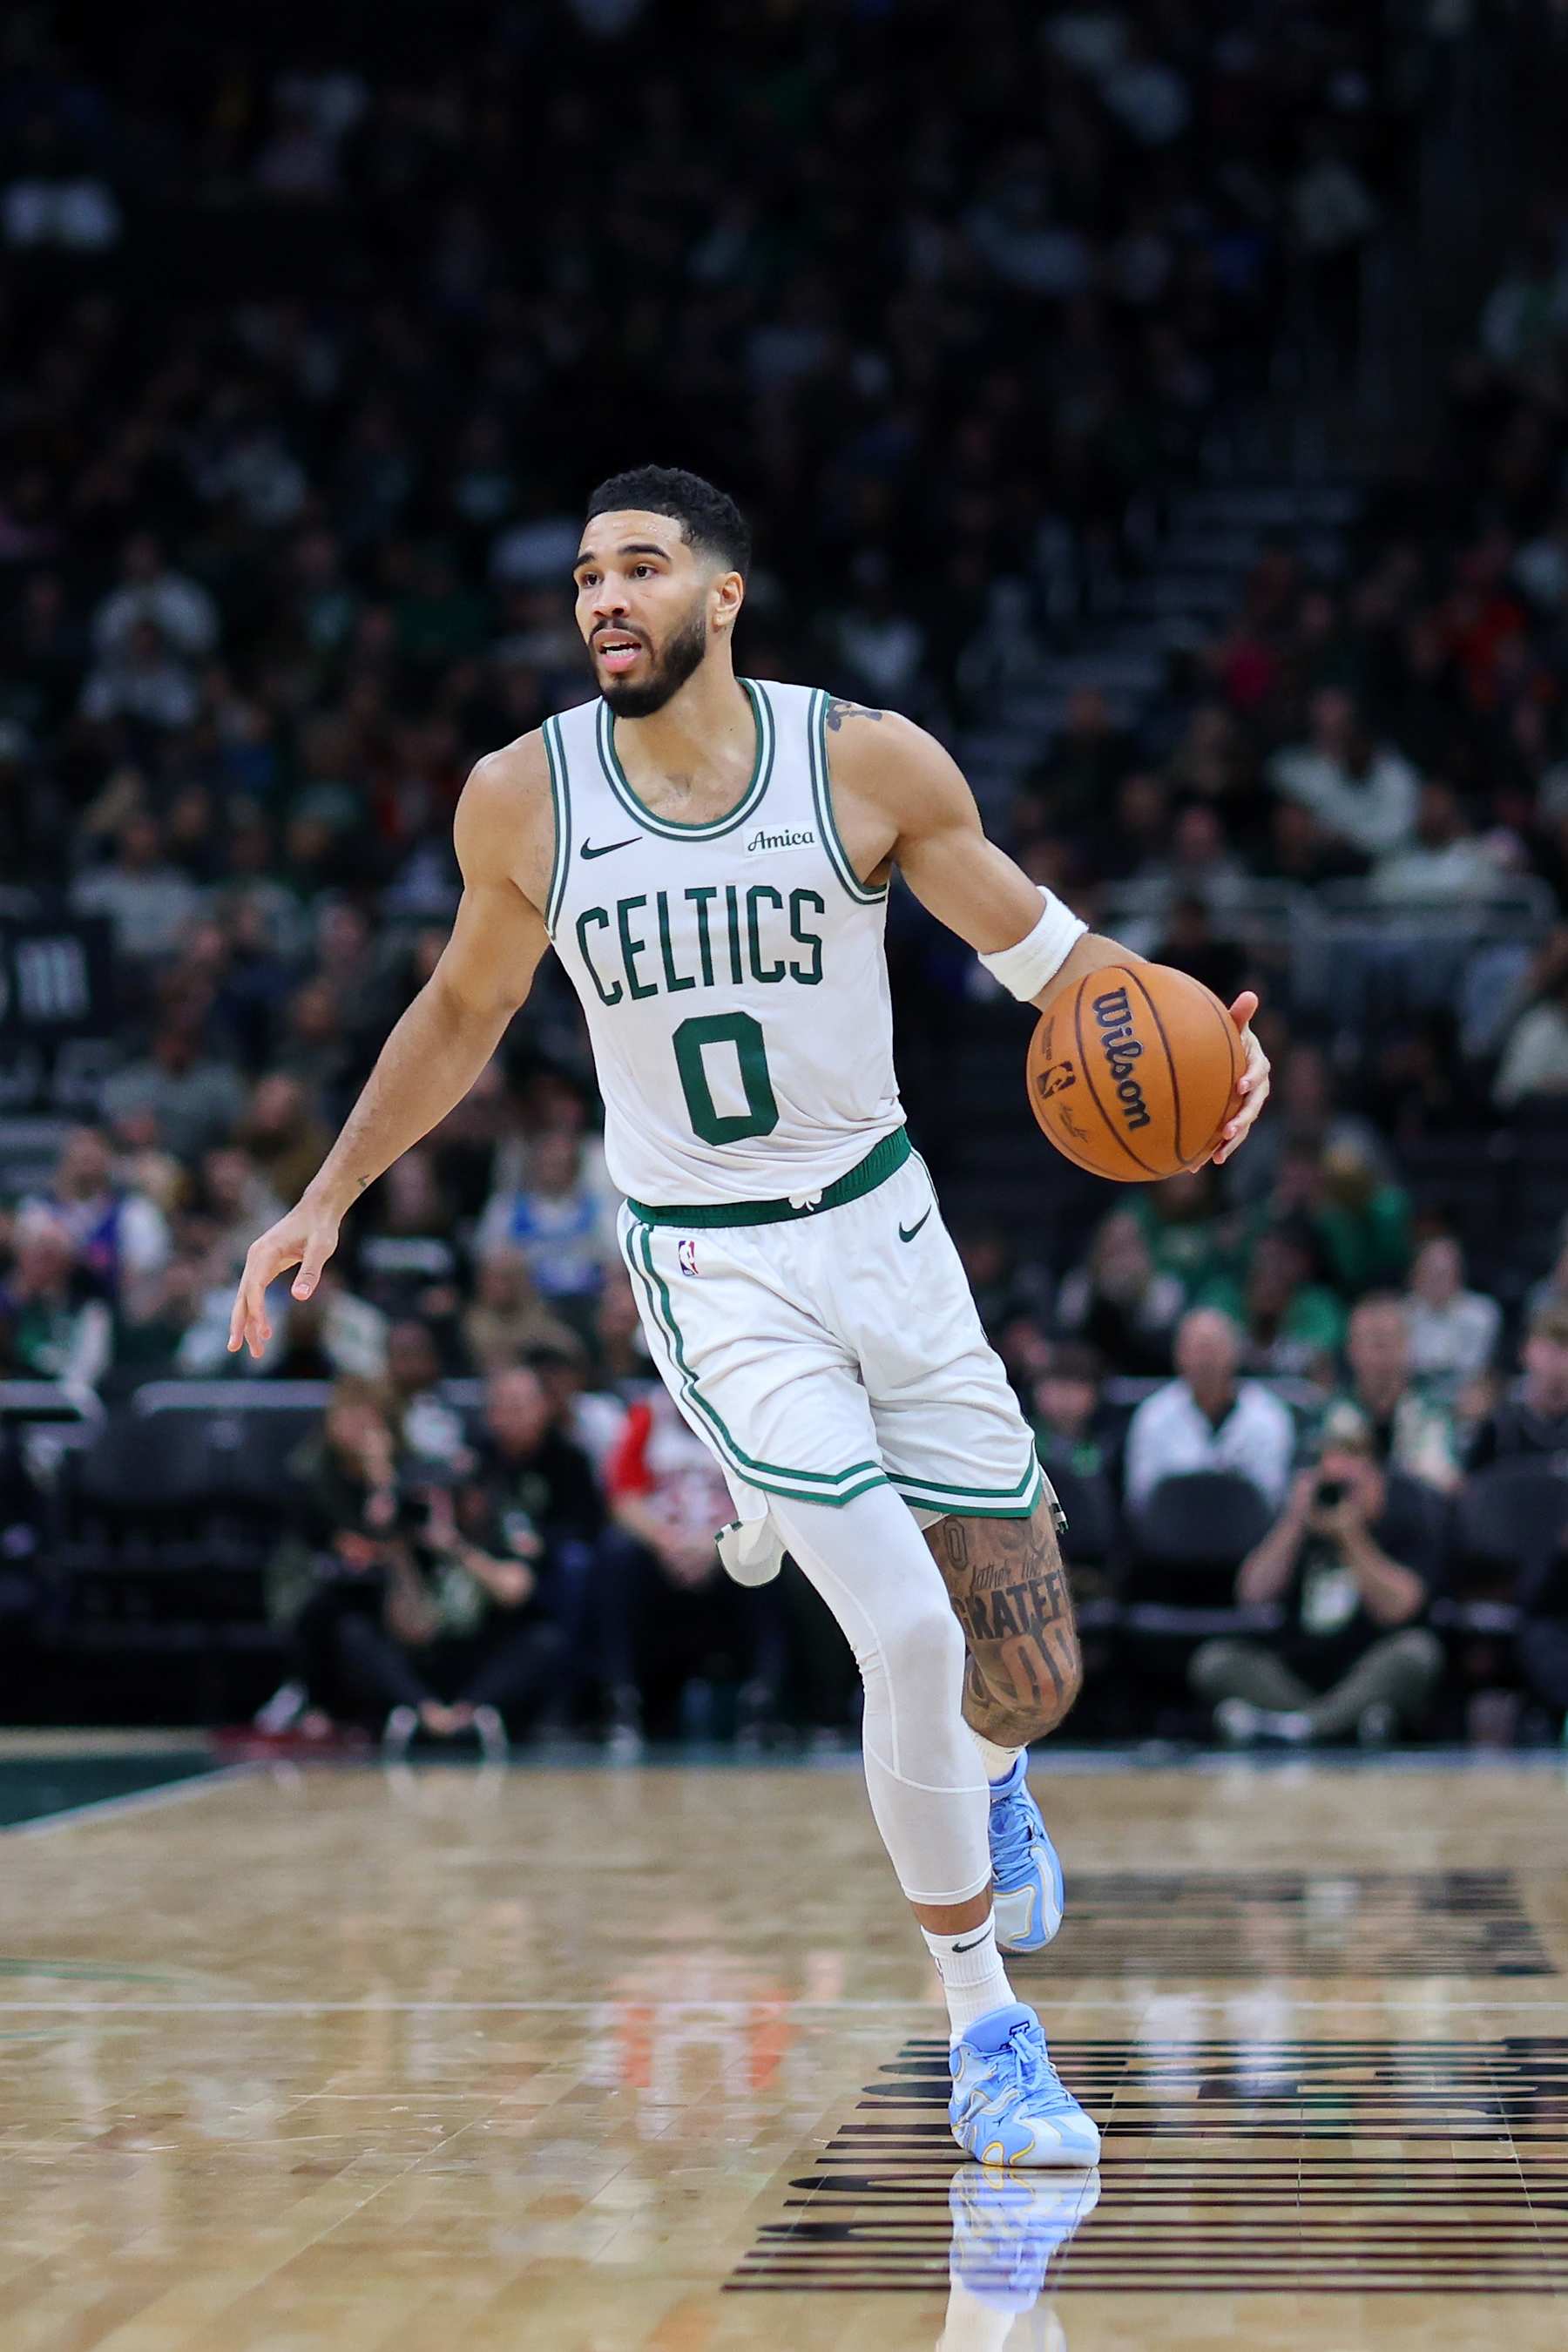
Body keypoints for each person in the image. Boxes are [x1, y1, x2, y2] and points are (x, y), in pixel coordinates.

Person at [228, 463, 1270, 2166]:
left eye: (639, 567)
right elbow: (459, 1010)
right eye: (582, 577)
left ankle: (990, 1783)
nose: (601, 600)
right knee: (912, 1639)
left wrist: (1213, 1067)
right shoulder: (527, 800)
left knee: (1027, 1675)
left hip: (890, 1240)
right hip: (714, 1273)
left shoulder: (863, 763)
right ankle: (982, 2029)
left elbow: (1064, 969)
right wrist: (327, 1192)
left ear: (725, 596)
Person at [1190, 1408, 1445, 1747]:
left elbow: (1402, 1607)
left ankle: (1297, 1728)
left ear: (1376, 1473)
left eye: (1352, 1462)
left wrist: (1352, 1536)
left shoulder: (1405, 1518)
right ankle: (1335, 1724)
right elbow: (1252, 1593)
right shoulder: (1302, 1518)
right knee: (1214, 1662)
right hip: (1296, 1673)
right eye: (1328, 1461)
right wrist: (1293, 1522)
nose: (1337, 1482)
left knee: (1418, 1653)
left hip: (1368, 1667)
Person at [1123, 1308, 1294, 1517]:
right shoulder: (1153, 1416)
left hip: (1248, 1541)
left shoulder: (1269, 1417)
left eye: (1213, 1348)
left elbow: (1272, 1498)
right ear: (1178, 1354)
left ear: (1235, 1352)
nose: (1205, 1359)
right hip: (1170, 1542)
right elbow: (1141, 1499)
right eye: (1196, 1349)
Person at [1331, 1294, 1458, 1491]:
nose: (1381, 1354)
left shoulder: (1434, 1413)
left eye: (1388, 1341)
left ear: (1407, 1348)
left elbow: (1444, 1481)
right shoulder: (1331, 1412)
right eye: (1371, 1342)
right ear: (1351, 1350)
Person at [1466, 1301, 1568, 1470]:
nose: (1557, 1359)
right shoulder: (1498, 1419)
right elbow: (1472, 1481)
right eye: (1550, 1348)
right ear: (1525, 1352)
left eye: (1564, 1348)